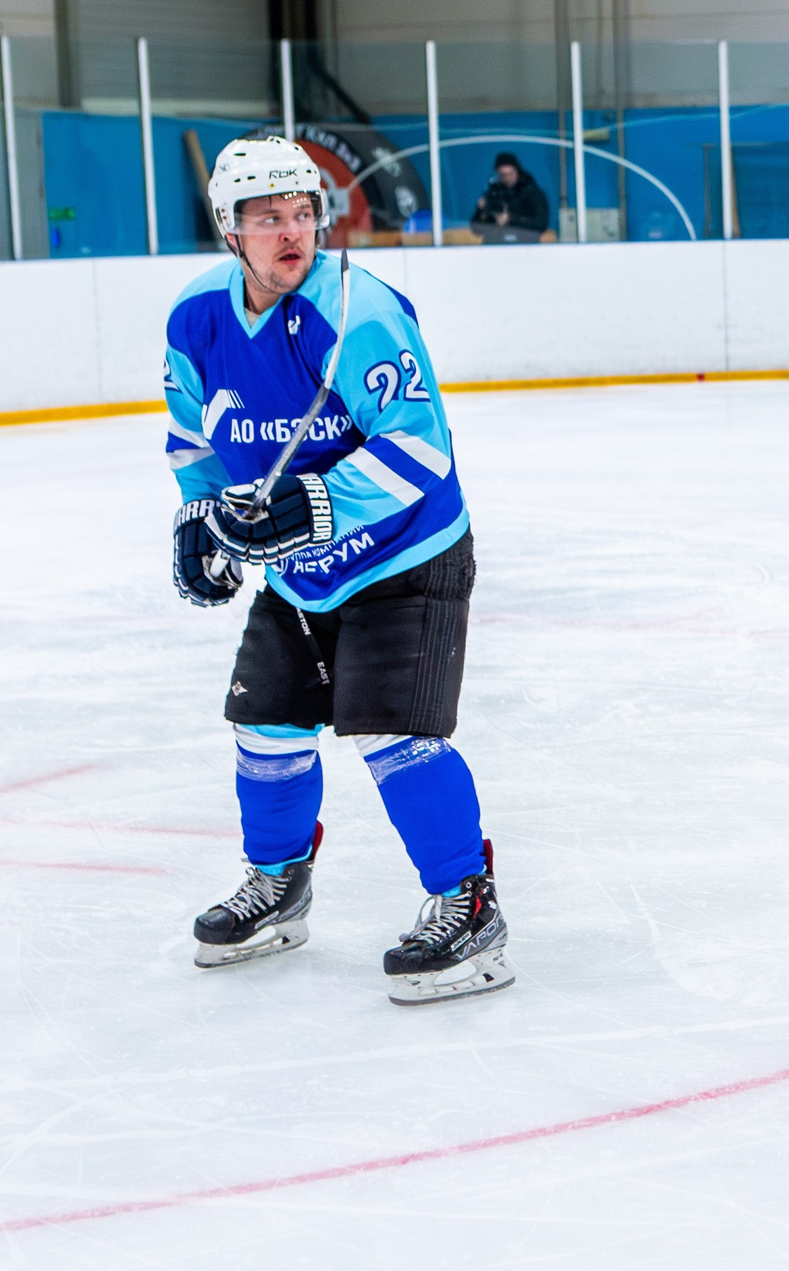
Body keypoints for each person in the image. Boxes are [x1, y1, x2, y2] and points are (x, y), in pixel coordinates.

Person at [163, 134, 513, 1004]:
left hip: (406, 553)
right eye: (268, 219)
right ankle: (278, 885)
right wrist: (202, 517)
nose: (292, 234)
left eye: (304, 214)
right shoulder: (197, 317)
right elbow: (194, 436)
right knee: (266, 729)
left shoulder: (360, 313)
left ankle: (469, 905)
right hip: (299, 573)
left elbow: (420, 449)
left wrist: (317, 505)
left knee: (393, 732)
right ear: (229, 230)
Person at [470, 151, 550, 242]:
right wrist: (480, 213)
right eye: (503, 175)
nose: (507, 178)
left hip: (525, 246)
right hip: (495, 246)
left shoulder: (532, 193)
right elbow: (476, 229)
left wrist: (510, 220)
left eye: (510, 174)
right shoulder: (492, 193)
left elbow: (540, 224)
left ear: (517, 171)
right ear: (498, 174)